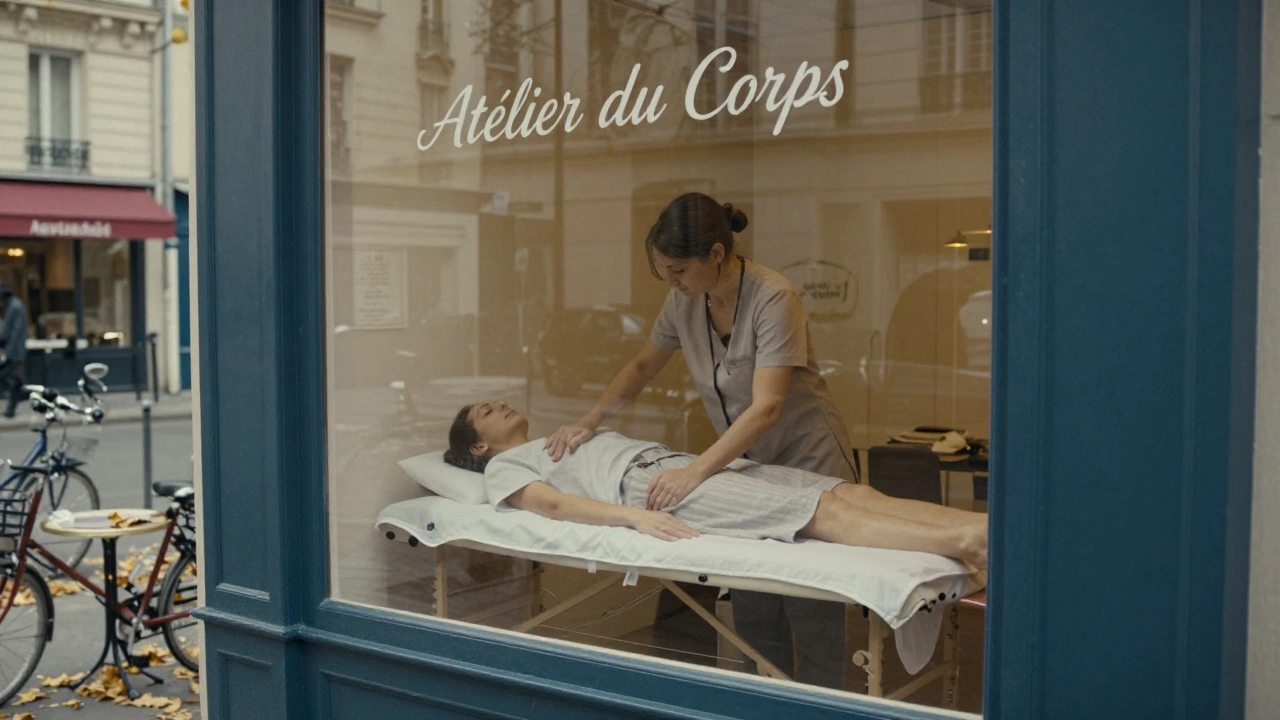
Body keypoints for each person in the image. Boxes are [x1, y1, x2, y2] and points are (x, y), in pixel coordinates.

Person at [542, 192, 863, 687]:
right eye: (663, 271)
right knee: (754, 607)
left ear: (716, 254)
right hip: (746, 467)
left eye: (677, 270)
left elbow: (767, 406)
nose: (670, 282)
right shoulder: (684, 301)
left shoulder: (774, 298)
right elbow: (643, 366)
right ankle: (762, 706)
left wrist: (693, 472)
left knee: (810, 610)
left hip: (807, 458)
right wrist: (591, 420)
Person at [444, 400, 987, 567]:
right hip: (651, 487)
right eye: (488, 411)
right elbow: (555, 507)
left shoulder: (554, 441)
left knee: (852, 493)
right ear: (478, 446)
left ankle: (983, 527)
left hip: (683, 464)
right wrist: (638, 517)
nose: (503, 403)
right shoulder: (503, 468)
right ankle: (965, 543)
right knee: (819, 515)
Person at [0, 283, 27, 418]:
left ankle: (20, 396)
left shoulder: (15, 306)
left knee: (11, 379)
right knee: (13, 380)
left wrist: (8, 351)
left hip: (15, 351)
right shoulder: (12, 306)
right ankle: (14, 404)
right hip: (12, 350)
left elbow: (16, 331)